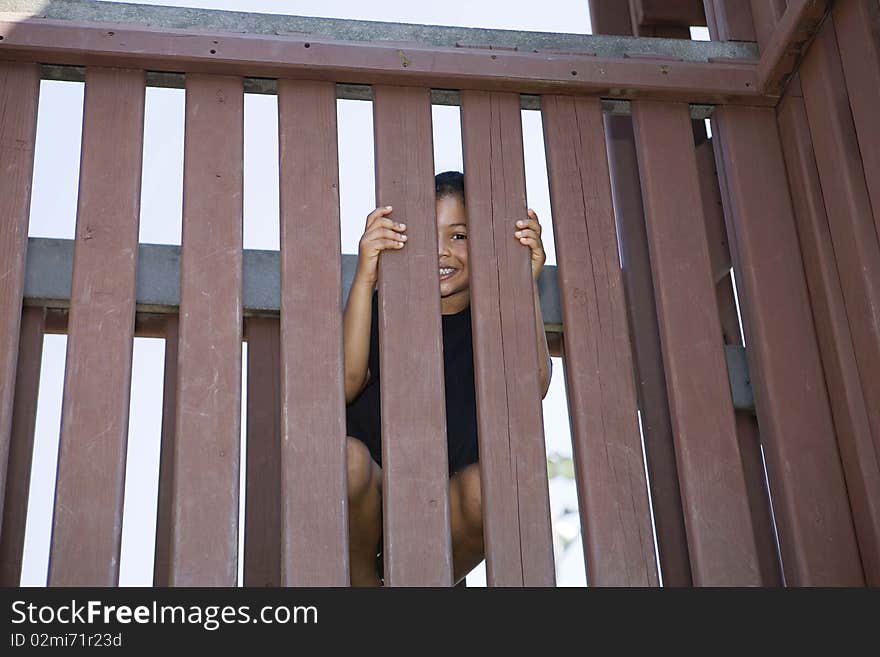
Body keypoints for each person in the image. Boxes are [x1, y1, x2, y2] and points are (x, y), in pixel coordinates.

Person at [343, 171, 552, 586]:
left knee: (489, 488)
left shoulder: (494, 321)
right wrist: (367, 276)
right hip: (372, 489)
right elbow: (345, 383)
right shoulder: (386, 307)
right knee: (345, 459)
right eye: (428, 235)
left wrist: (520, 282)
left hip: (446, 502)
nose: (442, 251)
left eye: (459, 236)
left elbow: (533, 386)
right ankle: (363, 582)